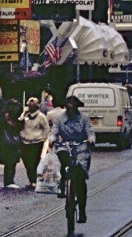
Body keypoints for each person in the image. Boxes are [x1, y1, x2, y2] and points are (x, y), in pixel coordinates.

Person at [52, 94, 95, 222]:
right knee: (63, 157)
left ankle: (82, 210)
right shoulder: (59, 118)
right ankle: (63, 181)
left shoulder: (84, 118)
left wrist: (91, 140)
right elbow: (54, 131)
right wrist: (51, 139)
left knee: (80, 179)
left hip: (81, 147)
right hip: (65, 146)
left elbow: (90, 131)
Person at [18, 97, 51, 189]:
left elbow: (46, 128)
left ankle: (35, 181)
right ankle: (31, 180)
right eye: (29, 105)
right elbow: (19, 122)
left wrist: (43, 139)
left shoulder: (41, 116)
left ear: (37, 106)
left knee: (33, 163)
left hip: (36, 142)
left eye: (32, 105)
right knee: (27, 162)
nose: (30, 107)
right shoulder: (26, 115)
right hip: (25, 141)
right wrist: (23, 113)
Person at [0, 95, 23, 188]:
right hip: (12, 143)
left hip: (5, 143)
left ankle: (8, 181)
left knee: (8, 163)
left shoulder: (2, 118)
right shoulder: (17, 120)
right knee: (12, 163)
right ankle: (9, 180)